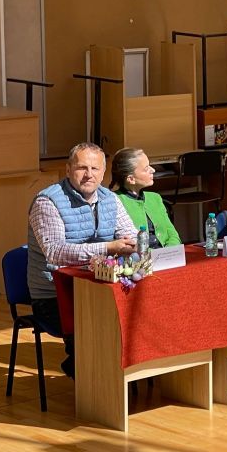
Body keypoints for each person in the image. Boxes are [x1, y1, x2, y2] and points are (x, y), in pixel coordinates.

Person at [27, 142, 138, 378]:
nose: (89, 174)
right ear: (68, 170)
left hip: (100, 287)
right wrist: (108, 247)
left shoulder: (110, 199)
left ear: (104, 172)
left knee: (140, 310)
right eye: (82, 168)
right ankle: (91, 377)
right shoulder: (47, 202)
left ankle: (120, 377)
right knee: (102, 321)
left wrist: (134, 244)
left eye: (95, 168)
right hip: (54, 296)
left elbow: (131, 235)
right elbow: (55, 252)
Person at [109, 148, 182, 248]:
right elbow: (128, 244)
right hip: (140, 255)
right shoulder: (115, 201)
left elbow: (172, 233)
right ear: (131, 179)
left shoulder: (155, 198)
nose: (153, 170)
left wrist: (169, 251)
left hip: (167, 254)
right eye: (146, 168)